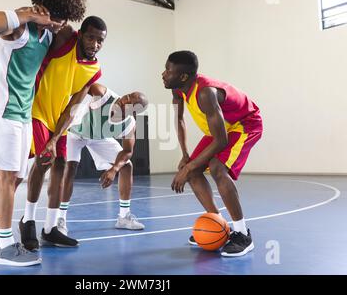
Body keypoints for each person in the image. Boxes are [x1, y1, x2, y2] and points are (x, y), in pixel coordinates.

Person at [0, 0, 86, 266]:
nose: (61, 25)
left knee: (11, 177)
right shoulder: (20, 27)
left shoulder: (49, 34)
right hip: (2, 112)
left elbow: (72, 33)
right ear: (43, 10)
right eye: (57, 18)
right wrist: (27, 14)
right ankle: (5, 246)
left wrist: (54, 23)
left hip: (22, 114)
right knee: (6, 177)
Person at [162, 50, 263, 257]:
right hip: (219, 130)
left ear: (183, 76)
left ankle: (243, 234)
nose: (163, 74)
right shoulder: (177, 90)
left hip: (245, 124)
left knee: (217, 168)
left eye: (168, 70)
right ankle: (218, 225)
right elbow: (180, 120)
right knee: (190, 169)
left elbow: (221, 141)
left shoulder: (205, 93)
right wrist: (185, 156)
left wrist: (190, 165)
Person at [19, 16, 107, 250]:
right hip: (36, 109)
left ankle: (50, 228)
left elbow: (74, 106)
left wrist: (56, 136)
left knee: (60, 166)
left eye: (100, 41)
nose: (95, 44)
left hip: (59, 118)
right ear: (81, 33)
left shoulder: (94, 70)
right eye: (91, 37)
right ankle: (27, 221)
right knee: (43, 161)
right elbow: (46, 23)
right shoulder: (66, 37)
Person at [57, 83, 148, 236]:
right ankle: (60, 220)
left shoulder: (129, 124)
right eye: (129, 95)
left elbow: (127, 151)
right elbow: (85, 82)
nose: (125, 99)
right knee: (70, 168)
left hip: (99, 138)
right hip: (75, 133)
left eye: (130, 102)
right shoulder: (104, 95)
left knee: (126, 166)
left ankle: (124, 217)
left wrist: (114, 169)